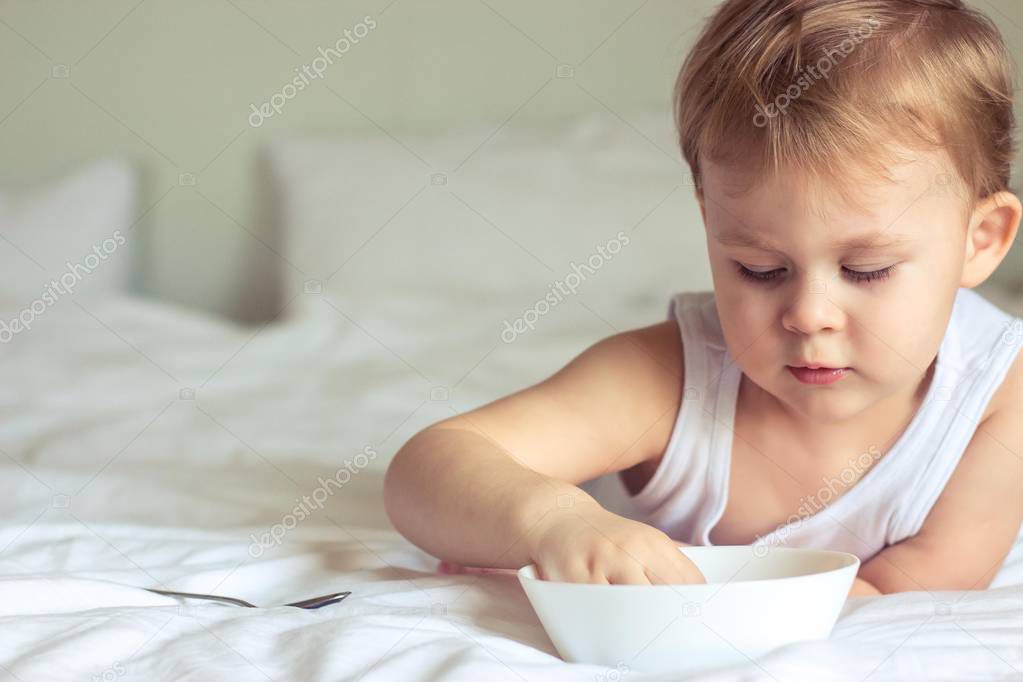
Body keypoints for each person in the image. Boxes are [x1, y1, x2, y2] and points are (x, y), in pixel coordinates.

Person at [385, 0, 1023, 597]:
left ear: (980, 240)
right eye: (760, 268)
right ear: (709, 221)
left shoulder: (997, 394)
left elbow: (903, 590)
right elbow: (429, 465)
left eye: (867, 270)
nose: (808, 315)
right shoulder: (670, 379)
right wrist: (554, 521)